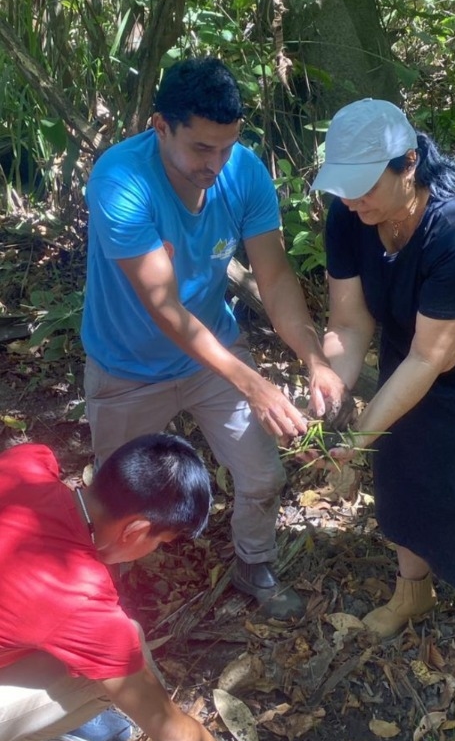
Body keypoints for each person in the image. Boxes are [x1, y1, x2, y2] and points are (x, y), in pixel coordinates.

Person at [82, 57, 344, 620]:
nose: (216, 163)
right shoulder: (119, 181)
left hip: (211, 356)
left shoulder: (243, 172)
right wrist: (254, 384)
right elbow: (164, 308)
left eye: (226, 147)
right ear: (161, 126)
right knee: (119, 501)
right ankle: (110, 594)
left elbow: (272, 277)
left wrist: (314, 358)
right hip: (127, 366)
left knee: (263, 475)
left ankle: (254, 562)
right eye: (202, 148)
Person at [307, 99, 455, 683]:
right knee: (401, 467)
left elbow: (435, 357)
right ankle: (414, 591)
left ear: (408, 163)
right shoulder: (350, 218)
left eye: (364, 186)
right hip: (414, 346)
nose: (353, 201)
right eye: (344, 188)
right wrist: (332, 385)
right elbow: (352, 322)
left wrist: (357, 435)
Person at [0, 434, 255, 741]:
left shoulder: (28, 462)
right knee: (115, 663)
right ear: (135, 530)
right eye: (161, 541)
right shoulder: (80, 599)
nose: (155, 551)